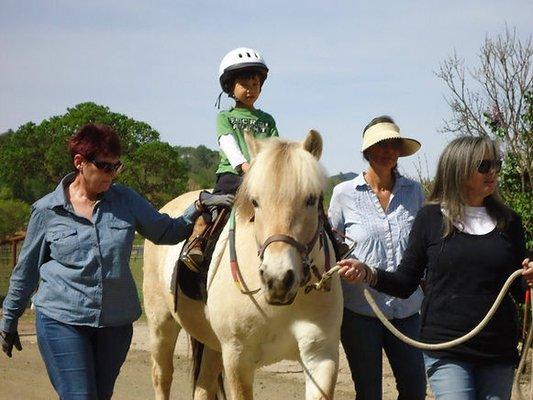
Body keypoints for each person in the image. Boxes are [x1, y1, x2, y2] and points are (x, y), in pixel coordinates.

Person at [0, 123, 233, 399]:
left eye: (116, 166)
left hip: (114, 326)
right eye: (104, 167)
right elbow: (26, 272)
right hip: (62, 319)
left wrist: (196, 208)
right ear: (80, 163)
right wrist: (10, 318)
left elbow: (165, 231)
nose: (112, 174)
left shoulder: (125, 200)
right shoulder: (47, 211)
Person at [338, 136, 533, 400]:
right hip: (445, 348)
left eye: (496, 164)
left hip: (498, 351)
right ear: (459, 169)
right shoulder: (430, 218)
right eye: (484, 165)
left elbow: (520, 288)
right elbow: (406, 282)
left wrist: (530, 279)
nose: (494, 172)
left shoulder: (509, 222)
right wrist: (368, 273)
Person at [328, 115, 427, 400]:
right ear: (367, 151)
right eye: (380, 145)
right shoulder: (343, 194)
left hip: (407, 309)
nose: (387, 152)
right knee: (369, 393)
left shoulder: (414, 191)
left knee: (414, 391)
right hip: (361, 310)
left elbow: (424, 245)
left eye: (393, 145)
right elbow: (333, 245)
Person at [181, 47, 279, 271]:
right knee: (213, 208)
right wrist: (244, 166)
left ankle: (329, 240)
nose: (251, 89)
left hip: (262, 178)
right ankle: (197, 241)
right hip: (232, 175)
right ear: (230, 87)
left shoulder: (267, 119)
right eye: (245, 84)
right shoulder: (225, 117)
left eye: (255, 84)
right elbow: (227, 142)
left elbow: (274, 147)